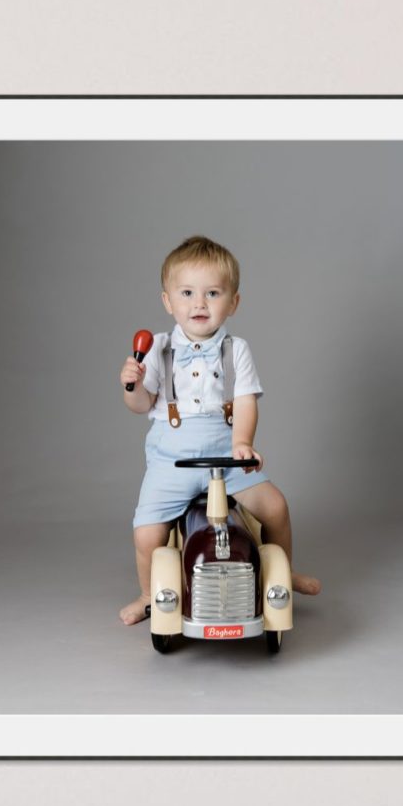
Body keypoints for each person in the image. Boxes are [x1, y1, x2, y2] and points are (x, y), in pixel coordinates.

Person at [116, 235, 321, 625]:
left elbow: (245, 401)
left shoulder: (236, 349)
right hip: (172, 461)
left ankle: (282, 570)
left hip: (226, 454)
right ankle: (147, 593)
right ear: (167, 301)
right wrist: (133, 385)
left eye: (212, 293)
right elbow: (140, 406)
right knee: (146, 534)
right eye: (188, 293)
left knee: (275, 507)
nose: (199, 303)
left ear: (233, 302)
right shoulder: (159, 349)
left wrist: (242, 443)